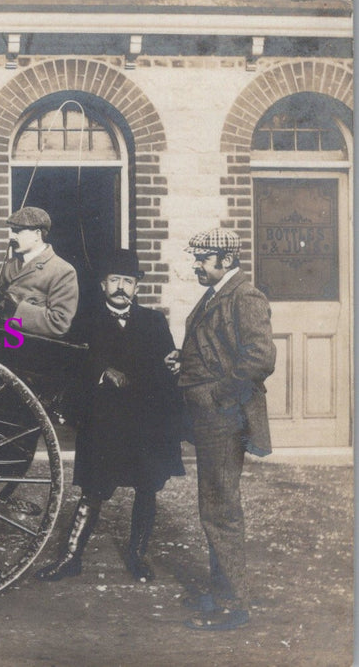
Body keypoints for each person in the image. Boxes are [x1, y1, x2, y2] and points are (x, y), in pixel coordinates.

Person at [34, 248, 184, 583]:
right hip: (104, 422)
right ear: (103, 285)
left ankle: (137, 557)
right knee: (93, 489)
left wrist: (173, 362)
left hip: (145, 422)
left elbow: (165, 367)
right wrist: (102, 371)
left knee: (147, 488)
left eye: (127, 281)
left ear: (136, 287)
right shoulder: (84, 321)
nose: (120, 287)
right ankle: (71, 558)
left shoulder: (154, 322)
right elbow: (69, 365)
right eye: (114, 280)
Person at [165, 228, 275, 632]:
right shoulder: (218, 293)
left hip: (223, 416)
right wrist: (187, 360)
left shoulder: (244, 295)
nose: (195, 264)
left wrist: (219, 395)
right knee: (214, 503)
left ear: (225, 261)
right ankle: (222, 591)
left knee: (220, 507)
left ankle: (233, 604)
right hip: (211, 415)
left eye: (202, 258)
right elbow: (219, 347)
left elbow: (260, 357)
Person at [0, 206, 79, 338]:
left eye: (18, 231)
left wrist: (15, 310)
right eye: (12, 231)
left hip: (31, 351)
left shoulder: (62, 271)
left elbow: (59, 324)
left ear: (37, 234)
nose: (12, 236)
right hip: (0, 340)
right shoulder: (11, 265)